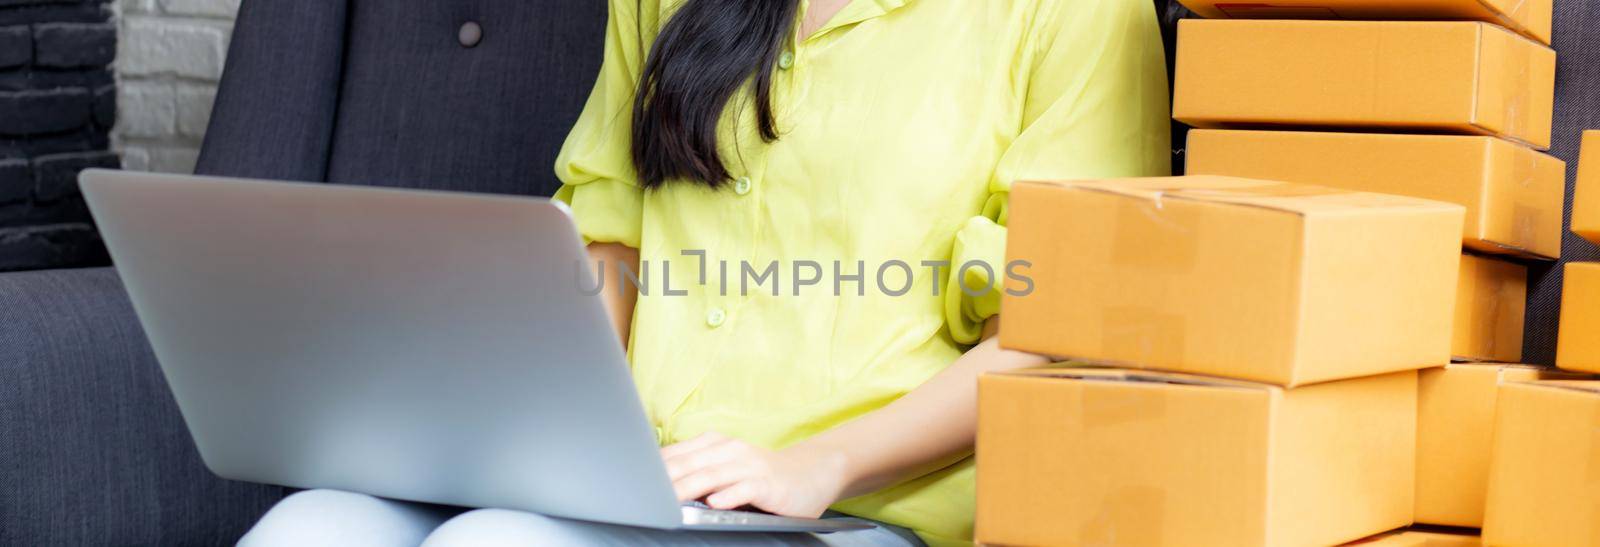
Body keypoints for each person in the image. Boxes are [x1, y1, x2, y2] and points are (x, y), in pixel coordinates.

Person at [239, 0, 1170, 545]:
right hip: (639, 477)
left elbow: (1063, 326)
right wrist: (561, 429)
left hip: (851, 510)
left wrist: (816, 461)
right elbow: (610, 234)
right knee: (310, 527)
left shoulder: (1078, 13)